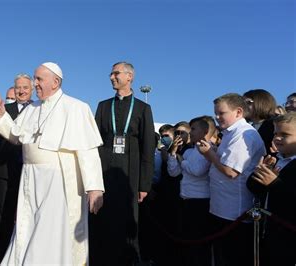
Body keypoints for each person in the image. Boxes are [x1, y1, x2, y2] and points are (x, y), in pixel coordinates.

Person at [0, 62, 104, 265]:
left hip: (57, 180)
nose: (35, 84)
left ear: (56, 82)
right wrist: (1, 115)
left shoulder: (76, 107)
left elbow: (88, 151)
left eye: (39, 79)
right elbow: (16, 136)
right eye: (35, 79)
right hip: (30, 178)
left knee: (49, 231)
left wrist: (94, 188)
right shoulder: (32, 109)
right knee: (28, 227)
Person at [90, 61, 155, 265]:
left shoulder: (143, 108)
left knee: (128, 220)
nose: (111, 77)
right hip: (104, 169)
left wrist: (144, 184)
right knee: (103, 220)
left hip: (130, 171)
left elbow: (147, 148)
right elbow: (94, 140)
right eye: (111, 73)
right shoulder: (103, 106)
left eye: (116, 73)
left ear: (129, 77)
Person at [197, 93, 266, 266]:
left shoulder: (244, 135)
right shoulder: (231, 133)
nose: (217, 117)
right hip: (223, 208)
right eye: (216, 113)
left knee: (231, 258)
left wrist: (209, 154)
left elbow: (230, 171)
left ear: (238, 112)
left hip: (234, 212)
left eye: (221, 113)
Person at [0, 73, 33, 258]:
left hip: (29, 170)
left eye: (25, 87)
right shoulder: (2, 109)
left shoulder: (38, 109)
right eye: (18, 88)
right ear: (14, 90)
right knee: (3, 214)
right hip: (5, 170)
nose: (21, 91)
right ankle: (1, 251)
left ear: (32, 89)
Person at [247, 112, 296, 266]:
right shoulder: (275, 158)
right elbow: (252, 187)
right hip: (267, 230)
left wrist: (274, 183)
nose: (277, 138)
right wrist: (259, 173)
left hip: (289, 237)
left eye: (285, 134)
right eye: (275, 133)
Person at [167, 116, 216, 266]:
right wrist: (173, 155)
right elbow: (173, 172)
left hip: (201, 203)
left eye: (193, 129)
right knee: (186, 243)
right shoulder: (189, 152)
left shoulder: (210, 150)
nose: (190, 133)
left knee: (199, 246)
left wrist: (182, 162)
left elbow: (197, 170)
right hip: (185, 201)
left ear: (205, 131)